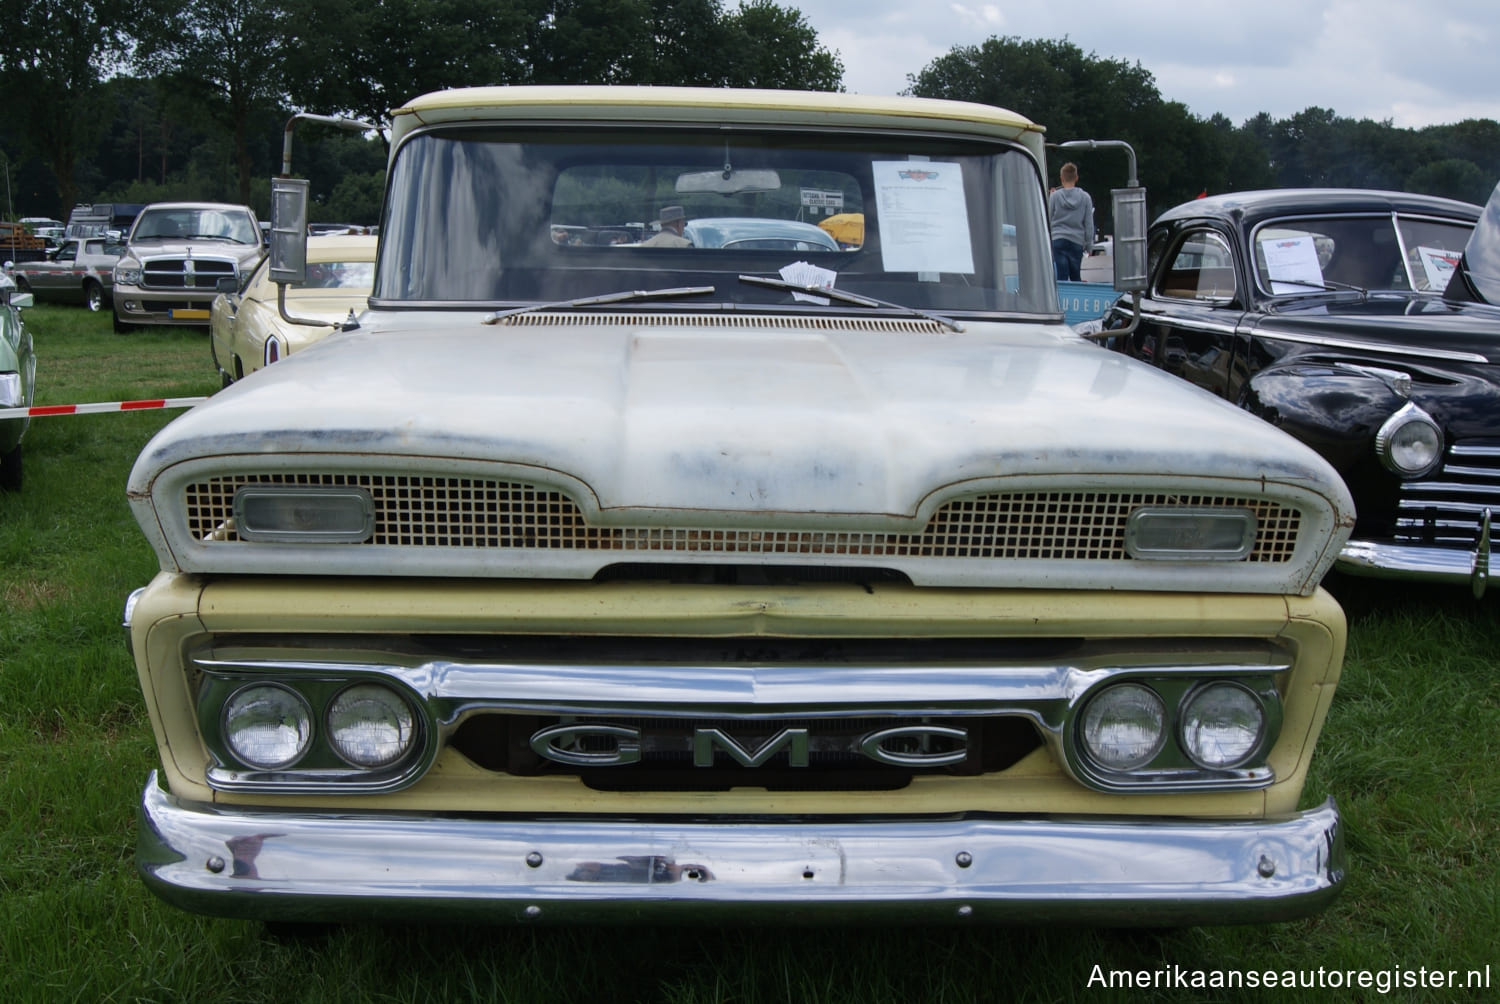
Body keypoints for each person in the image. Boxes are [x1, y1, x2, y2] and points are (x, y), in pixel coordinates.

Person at [1048, 163, 1095, 282]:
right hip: (1076, 241)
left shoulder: (1055, 197)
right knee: (1075, 277)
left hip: (1057, 239)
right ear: (1076, 178)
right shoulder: (1085, 198)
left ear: (1061, 178)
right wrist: (1089, 245)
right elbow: (1089, 224)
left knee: (1061, 278)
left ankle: (1061, 299)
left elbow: (1048, 218)